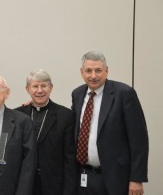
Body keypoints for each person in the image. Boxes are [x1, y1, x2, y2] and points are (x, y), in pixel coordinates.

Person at [72, 51, 149, 195]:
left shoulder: (124, 94)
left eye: (98, 70)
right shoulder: (77, 94)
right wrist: (35, 105)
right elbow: (69, 122)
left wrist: (136, 179)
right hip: (83, 176)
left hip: (116, 178)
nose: (93, 75)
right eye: (88, 70)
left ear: (106, 71)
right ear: (81, 72)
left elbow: (139, 139)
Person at [15, 69, 77, 195]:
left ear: (51, 88)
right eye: (35, 86)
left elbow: (70, 160)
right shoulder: (17, 115)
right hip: (24, 185)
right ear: (27, 89)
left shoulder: (66, 116)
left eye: (44, 86)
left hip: (54, 185)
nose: (39, 90)